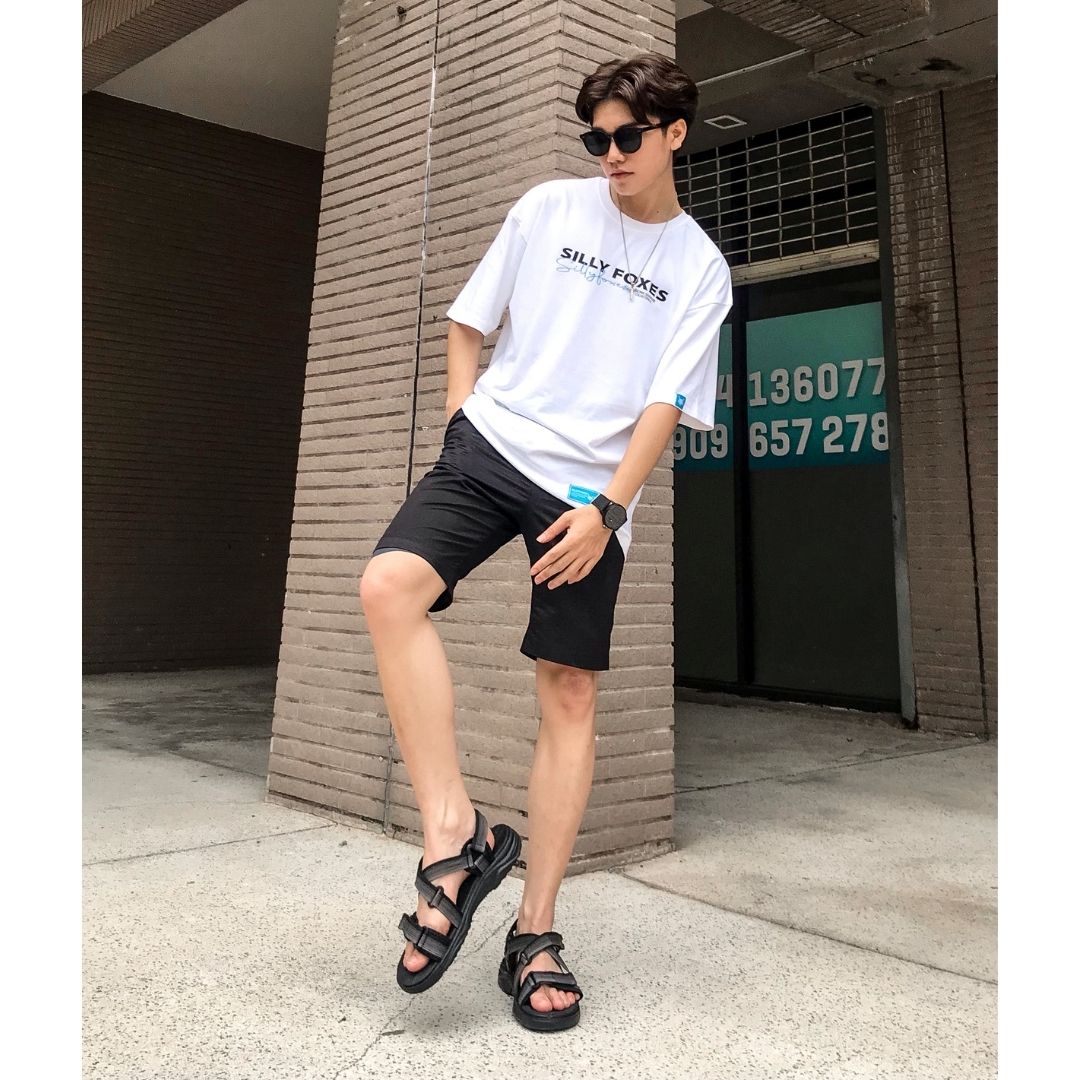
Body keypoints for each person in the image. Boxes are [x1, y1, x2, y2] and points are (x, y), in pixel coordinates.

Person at [359, 50, 733, 1032]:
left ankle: (534, 932)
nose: (611, 155)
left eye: (629, 136)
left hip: (586, 492)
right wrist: (459, 422)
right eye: (597, 138)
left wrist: (609, 509)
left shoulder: (700, 267)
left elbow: (665, 402)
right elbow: (467, 322)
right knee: (388, 588)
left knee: (568, 690)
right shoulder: (548, 209)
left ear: (675, 134)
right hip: (491, 446)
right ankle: (455, 832)